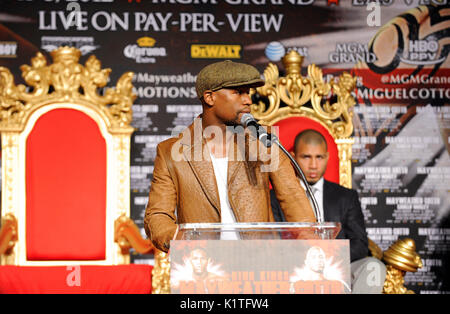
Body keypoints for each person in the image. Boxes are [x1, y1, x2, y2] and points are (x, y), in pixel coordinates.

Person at [145, 60, 316, 253]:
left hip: (259, 264)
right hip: (203, 267)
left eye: (248, 92)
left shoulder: (263, 141)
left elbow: (292, 196)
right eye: (238, 92)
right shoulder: (172, 151)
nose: (247, 100)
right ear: (210, 98)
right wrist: (181, 240)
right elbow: (157, 215)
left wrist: (312, 246)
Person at [271, 129, 386, 294]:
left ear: (327, 157)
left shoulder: (346, 196)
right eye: (306, 157)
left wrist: (328, 260)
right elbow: (273, 244)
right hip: (293, 269)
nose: (313, 165)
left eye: (319, 157)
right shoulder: (275, 197)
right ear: (293, 156)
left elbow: (360, 244)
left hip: (339, 267)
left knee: (373, 267)